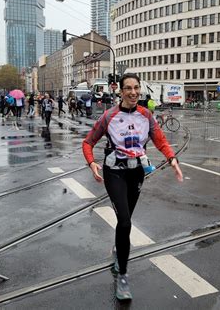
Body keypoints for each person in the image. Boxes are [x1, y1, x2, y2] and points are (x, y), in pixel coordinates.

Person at [82, 73, 183, 301]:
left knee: (124, 222)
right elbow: (88, 142)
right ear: (121, 91)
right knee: (126, 221)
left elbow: (160, 140)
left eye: (136, 88)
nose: (133, 92)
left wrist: (172, 159)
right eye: (128, 88)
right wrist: (91, 163)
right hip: (114, 173)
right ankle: (123, 276)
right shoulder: (109, 116)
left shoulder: (146, 115)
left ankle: (118, 252)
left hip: (137, 172)